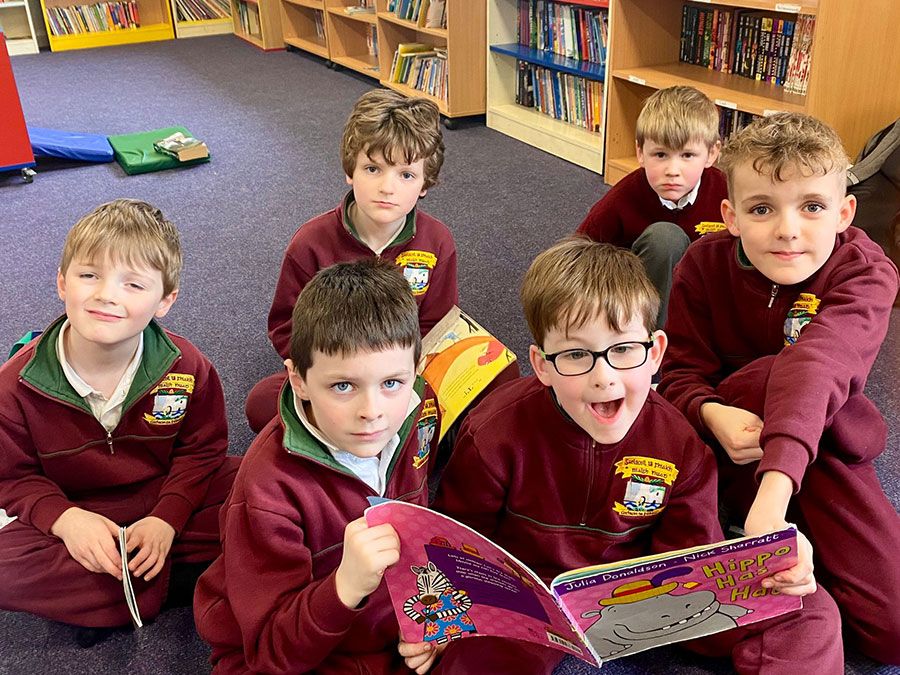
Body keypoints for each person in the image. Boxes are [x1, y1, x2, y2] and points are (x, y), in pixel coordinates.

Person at [433, 236, 843, 674]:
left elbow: (694, 557)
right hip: (531, 602)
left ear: (656, 354)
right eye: (575, 354)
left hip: (650, 600)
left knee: (807, 606)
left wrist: (767, 562)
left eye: (624, 350)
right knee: (458, 653)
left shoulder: (680, 445)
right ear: (542, 365)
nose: (604, 378)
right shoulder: (494, 432)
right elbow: (455, 544)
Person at [659, 112, 900, 665]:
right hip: (725, 453)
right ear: (731, 216)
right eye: (762, 208)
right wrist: (711, 412)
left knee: (893, 632)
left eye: (812, 207)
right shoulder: (702, 263)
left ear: (844, 212)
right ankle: (745, 535)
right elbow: (676, 376)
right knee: (773, 373)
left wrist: (775, 496)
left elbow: (819, 365)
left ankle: (776, 536)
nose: (788, 229)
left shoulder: (867, 271)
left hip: (821, 457)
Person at [0, 199, 239, 645]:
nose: (106, 294)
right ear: (61, 282)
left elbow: (203, 452)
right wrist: (67, 521)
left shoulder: (187, 365)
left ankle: (116, 594)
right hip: (76, 506)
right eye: (89, 275)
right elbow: (13, 479)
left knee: (258, 487)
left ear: (165, 301)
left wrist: (167, 518)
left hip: (162, 493)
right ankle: (169, 584)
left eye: (133, 284)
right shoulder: (14, 386)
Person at [194, 259, 446, 675]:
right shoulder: (266, 490)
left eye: (392, 383)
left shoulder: (418, 413)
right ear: (299, 381)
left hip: (388, 625)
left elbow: (423, 538)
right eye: (343, 386)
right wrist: (345, 587)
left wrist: (432, 622)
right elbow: (272, 652)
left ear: (415, 372)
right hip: (294, 644)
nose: (373, 413)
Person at [245, 88, 458, 433]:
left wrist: (399, 380)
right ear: (350, 170)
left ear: (424, 185)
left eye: (405, 175)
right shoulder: (311, 243)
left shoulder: (437, 242)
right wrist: (328, 376)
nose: (387, 187)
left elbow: (436, 325)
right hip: (336, 375)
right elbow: (286, 325)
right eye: (373, 169)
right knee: (261, 404)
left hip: (397, 378)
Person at [577, 85, 727, 327]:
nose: (672, 171)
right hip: (643, 299)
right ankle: (653, 344)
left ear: (711, 153)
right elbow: (578, 253)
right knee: (665, 238)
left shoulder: (727, 192)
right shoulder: (625, 195)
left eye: (687, 155)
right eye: (660, 155)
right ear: (640, 153)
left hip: (704, 294)